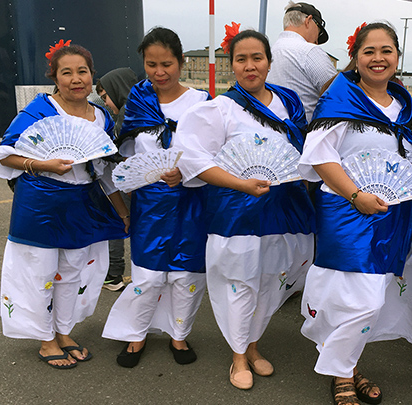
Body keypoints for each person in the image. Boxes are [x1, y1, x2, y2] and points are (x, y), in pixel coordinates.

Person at [299, 22, 412, 405]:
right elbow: (321, 158)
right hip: (346, 210)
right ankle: (341, 374)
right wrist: (356, 195)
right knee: (358, 299)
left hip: (392, 213)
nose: (378, 58)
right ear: (355, 58)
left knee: (376, 297)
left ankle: (347, 365)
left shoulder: (403, 104)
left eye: (386, 51)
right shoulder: (340, 98)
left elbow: (410, 169)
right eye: (369, 51)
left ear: (397, 57)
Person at [173, 27, 314, 390]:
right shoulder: (220, 108)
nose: (250, 66)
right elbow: (193, 159)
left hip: (283, 212)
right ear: (230, 65)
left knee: (270, 281)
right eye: (241, 59)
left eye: (257, 58)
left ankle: (252, 345)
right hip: (237, 213)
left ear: (269, 62)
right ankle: (238, 356)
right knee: (238, 283)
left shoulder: (290, 104)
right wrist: (240, 184)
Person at [0, 42, 130, 369]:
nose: (76, 79)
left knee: (72, 273)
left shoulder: (101, 117)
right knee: (39, 273)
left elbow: (103, 170)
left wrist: (122, 210)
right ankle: (45, 339)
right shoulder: (39, 111)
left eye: (83, 71)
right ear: (55, 77)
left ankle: (63, 331)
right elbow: (4, 155)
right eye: (67, 73)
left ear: (92, 75)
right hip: (41, 203)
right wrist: (45, 165)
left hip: (82, 204)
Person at [101, 27, 212, 368]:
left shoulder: (203, 102)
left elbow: (214, 153)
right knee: (147, 275)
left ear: (182, 61)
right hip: (150, 203)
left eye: (166, 64)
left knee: (187, 274)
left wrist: (187, 173)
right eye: (151, 64)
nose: (159, 72)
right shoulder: (139, 100)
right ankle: (137, 335)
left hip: (193, 201)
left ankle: (179, 335)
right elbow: (129, 152)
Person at [95, 67, 139, 291]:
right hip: (137, 181)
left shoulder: (126, 115)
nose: (105, 104)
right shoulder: (146, 108)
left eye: (105, 97)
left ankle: (113, 274)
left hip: (131, 182)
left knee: (119, 223)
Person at [266, 1, 335, 120]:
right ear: (308, 20)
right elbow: (338, 94)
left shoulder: (268, 53)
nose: (317, 41)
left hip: (273, 132)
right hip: (305, 134)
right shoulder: (310, 51)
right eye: (319, 31)